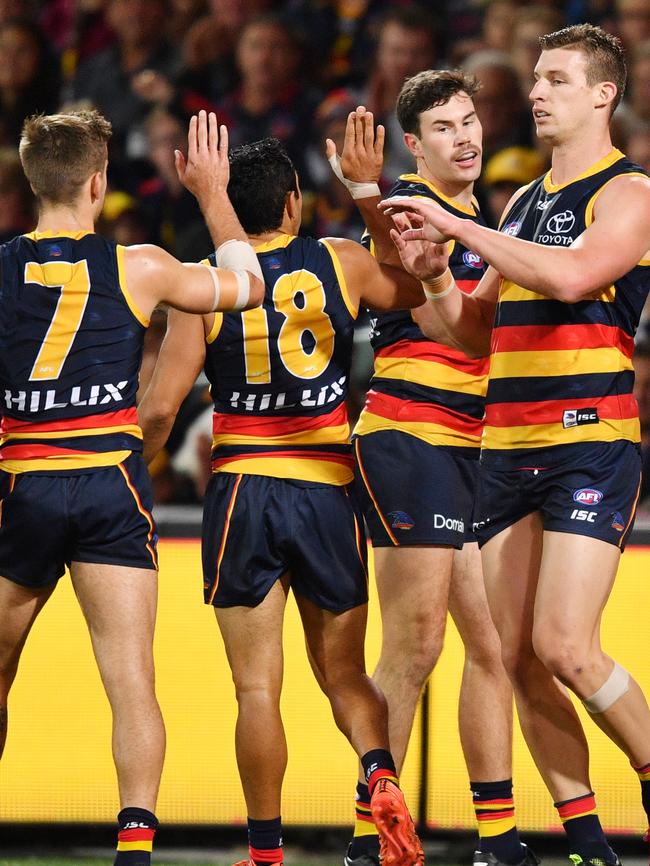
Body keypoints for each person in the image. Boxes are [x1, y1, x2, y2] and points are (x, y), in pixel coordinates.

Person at [381, 23, 650, 865]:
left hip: (588, 442)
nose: (536, 93)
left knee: (565, 642)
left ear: (603, 93)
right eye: (536, 79)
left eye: (558, 80)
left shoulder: (631, 192)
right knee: (519, 656)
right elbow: (470, 332)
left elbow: (573, 276)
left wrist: (458, 232)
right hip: (506, 445)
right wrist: (429, 269)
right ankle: (589, 847)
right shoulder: (526, 204)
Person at [138, 134, 426, 866]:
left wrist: (131, 470)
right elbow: (415, 289)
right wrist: (368, 188)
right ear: (294, 202)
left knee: (256, 691)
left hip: (245, 491)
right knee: (346, 676)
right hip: (329, 490)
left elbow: (164, 407)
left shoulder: (203, 282)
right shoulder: (341, 260)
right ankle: (380, 775)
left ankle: (265, 855)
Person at [0, 107, 264, 866]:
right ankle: (136, 850)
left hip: (24, 486)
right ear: (98, 182)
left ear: (32, 179)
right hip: (110, 487)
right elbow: (248, 285)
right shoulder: (139, 265)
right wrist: (213, 194)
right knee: (131, 680)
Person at [327, 75, 535, 866]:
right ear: (415, 145)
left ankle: (499, 839)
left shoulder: (482, 219)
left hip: (474, 445)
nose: (467, 137)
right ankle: (369, 843)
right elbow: (398, 263)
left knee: (492, 650)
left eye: (472, 120)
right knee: (413, 648)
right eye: (445, 126)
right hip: (411, 438)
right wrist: (365, 192)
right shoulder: (410, 203)